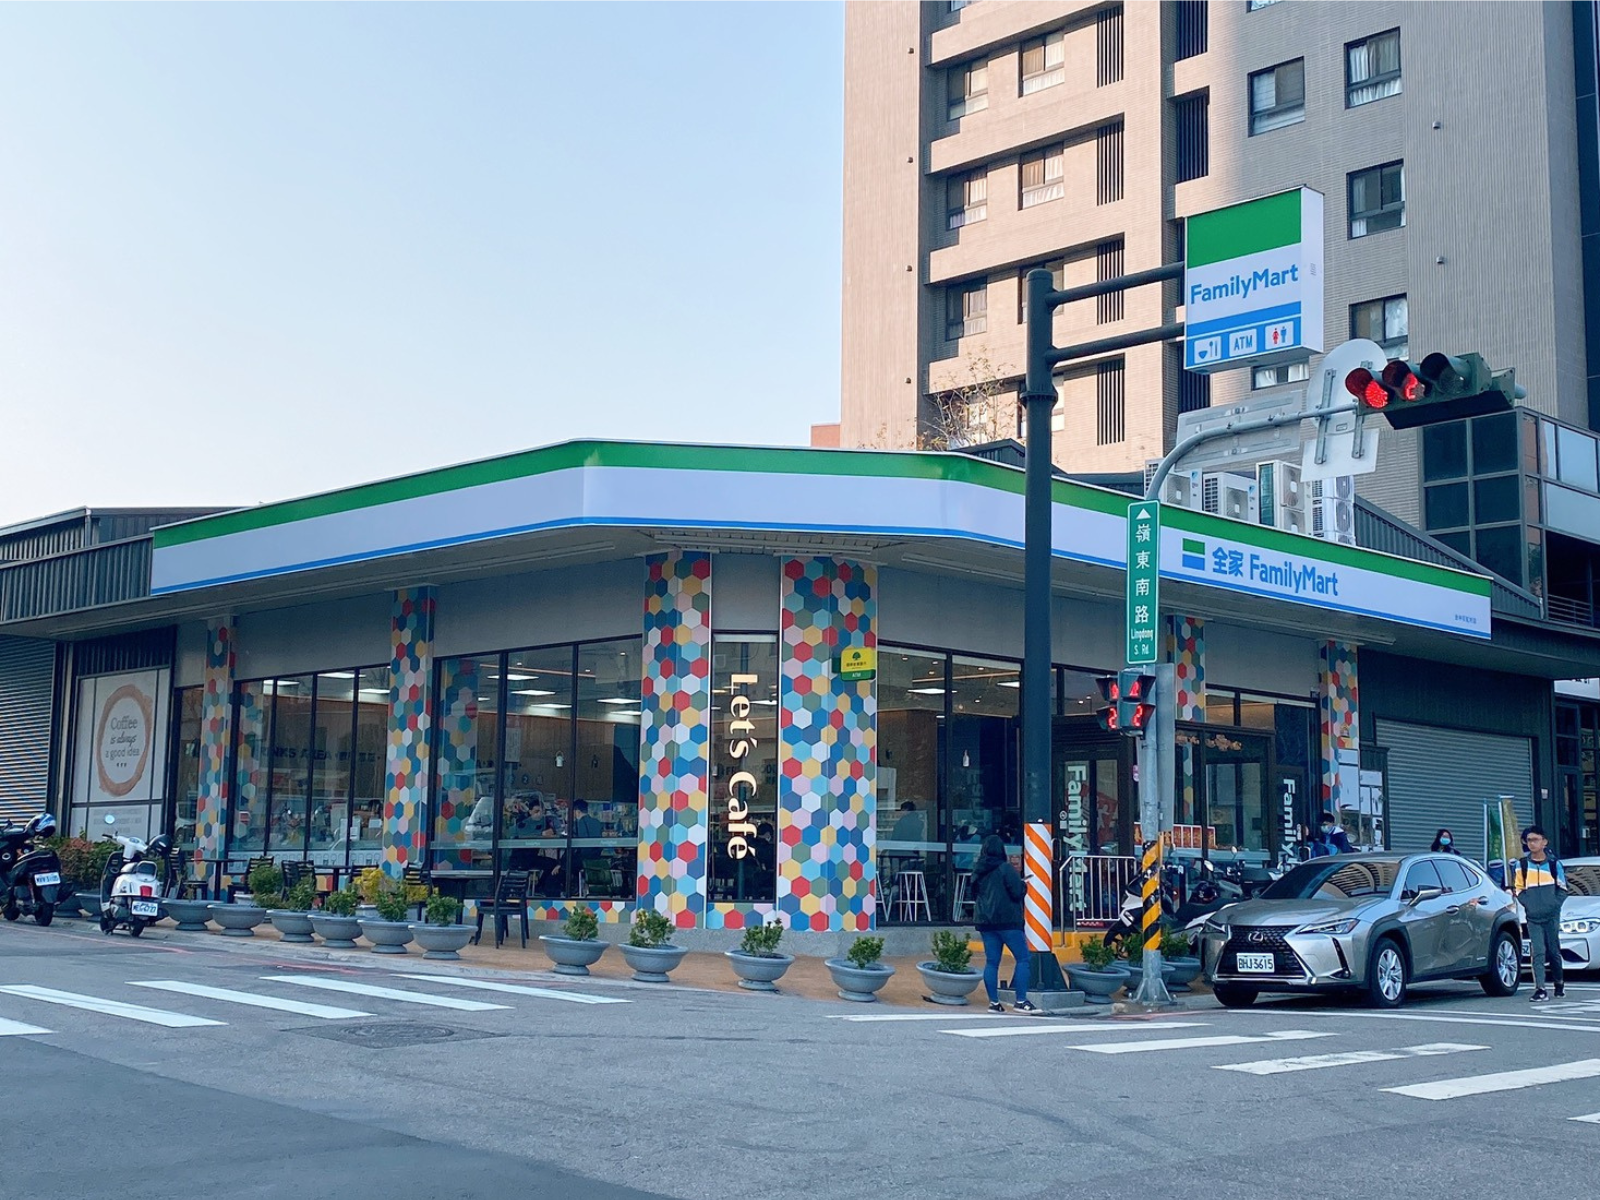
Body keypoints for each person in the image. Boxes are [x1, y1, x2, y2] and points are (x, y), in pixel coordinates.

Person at [973, 834, 1035, 1014]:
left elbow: (974, 893)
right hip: (1008, 921)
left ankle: (994, 1003)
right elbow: (1017, 892)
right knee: (1023, 958)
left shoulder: (978, 870)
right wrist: (1023, 885)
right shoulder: (1005, 868)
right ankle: (1021, 1001)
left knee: (992, 962)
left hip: (985, 921)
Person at [1512, 825, 1568, 1002]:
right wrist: (1529, 905)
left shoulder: (1553, 864)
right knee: (1538, 952)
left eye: (1535, 840)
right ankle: (1540, 989)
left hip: (1551, 915)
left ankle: (1559, 983)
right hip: (1533, 917)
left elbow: (1563, 889)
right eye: (1529, 840)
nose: (1532, 843)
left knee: (1553, 950)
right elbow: (1519, 889)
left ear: (1544, 842)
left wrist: (1554, 905)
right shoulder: (1521, 865)